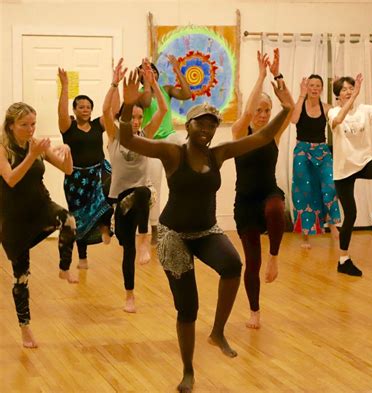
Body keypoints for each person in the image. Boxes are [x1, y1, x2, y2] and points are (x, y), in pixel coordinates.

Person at [119, 68, 293, 392]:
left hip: (206, 230)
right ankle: (188, 370)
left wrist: (286, 108)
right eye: (202, 123)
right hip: (174, 235)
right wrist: (128, 106)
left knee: (233, 266)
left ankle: (217, 332)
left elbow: (263, 136)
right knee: (188, 308)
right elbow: (128, 138)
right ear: (189, 125)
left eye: (213, 124)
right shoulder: (172, 152)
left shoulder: (219, 154)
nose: (208, 129)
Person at [0, 102, 78, 348]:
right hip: (13, 218)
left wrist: (67, 151)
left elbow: (68, 169)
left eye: (33, 124)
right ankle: (25, 329)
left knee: (68, 220)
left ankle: (64, 268)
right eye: (24, 125)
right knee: (21, 276)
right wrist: (33, 155)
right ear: (11, 126)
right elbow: (11, 179)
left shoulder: (37, 146)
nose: (30, 129)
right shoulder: (3, 149)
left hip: (40, 206)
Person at [232, 49, 293, 329]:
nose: (263, 114)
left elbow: (290, 108)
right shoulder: (239, 131)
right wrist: (260, 75)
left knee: (277, 207)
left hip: (268, 193)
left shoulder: (273, 133)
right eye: (260, 109)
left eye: (267, 111)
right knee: (251, 263)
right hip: (244, 203)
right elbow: (246, 110)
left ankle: (275, 257)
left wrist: (277, 75)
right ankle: (254, 311)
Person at [104, 60, 167, 313]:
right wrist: (114, 84)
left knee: (142, 191)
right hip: (120, 201)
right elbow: (107, 111)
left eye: (141, 117)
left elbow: (162, 110)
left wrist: (153, 84)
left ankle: (145, 238)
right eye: (134, 117)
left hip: (141, 198)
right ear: (124, 118)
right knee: (126, 250)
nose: (138, 121)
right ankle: (129, 294)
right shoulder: (115, 136)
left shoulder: (145, 137)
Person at [327, 73, 372, 277]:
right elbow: (338, 121)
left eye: (351, 88)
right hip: (343, 170)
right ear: (337, 96)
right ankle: (343, 259)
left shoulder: (364, 110)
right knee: (351, 215)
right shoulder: (334, 111)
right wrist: (352, 98)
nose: (348, 92)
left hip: (363, 162)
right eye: (344, 90)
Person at [58, 67, 115, 269]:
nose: (85, 109)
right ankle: (82, 258)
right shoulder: (68, 127)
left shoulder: (98, 125)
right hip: (75, 179)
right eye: (81, 107)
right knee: (79, 217)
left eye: (88, 107)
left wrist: (115, 84)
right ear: (75, 110)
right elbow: (61, 111)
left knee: (111, 194)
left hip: (98, 172)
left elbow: (112, 111)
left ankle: (105, 225)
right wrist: (65, 86)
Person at [138, 56, 192, 245]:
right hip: (151, 142)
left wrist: (178, 70)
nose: (150, 73)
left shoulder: (166, 89)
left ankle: (183, 223)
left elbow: (186, 94)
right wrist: (146, 83)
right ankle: (155, 227)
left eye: (152, 70)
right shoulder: (140, 93)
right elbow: (145, 103)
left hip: (169, 138)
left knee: (181, 181)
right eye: (145, 71)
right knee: (153, 188)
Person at [291, 74, 341, 249]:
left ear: (321, 88)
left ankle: (333, 225)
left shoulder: (327, 107)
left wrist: (339, 90)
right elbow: (294, 119)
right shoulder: (301, 104)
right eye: (311, 85)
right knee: (305, 190)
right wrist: (301, 95)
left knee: (329, 186)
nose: (314, 88)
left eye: (317, 85)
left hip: (322, 151)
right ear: (307, 87)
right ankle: (306, 235)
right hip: (302, 152)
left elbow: (340, 116)